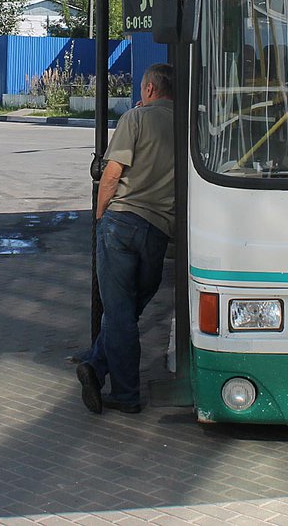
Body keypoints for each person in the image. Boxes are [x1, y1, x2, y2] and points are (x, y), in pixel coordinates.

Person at [76, 63, 175, 415]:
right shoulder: (189, 124)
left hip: (122, 223)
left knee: (119, 313)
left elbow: (112, 174)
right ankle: (94, 366)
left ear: (149, 89)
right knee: (129, 310)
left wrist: (100, 218)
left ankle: (126, 394)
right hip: (160, 230)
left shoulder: (136, 120)